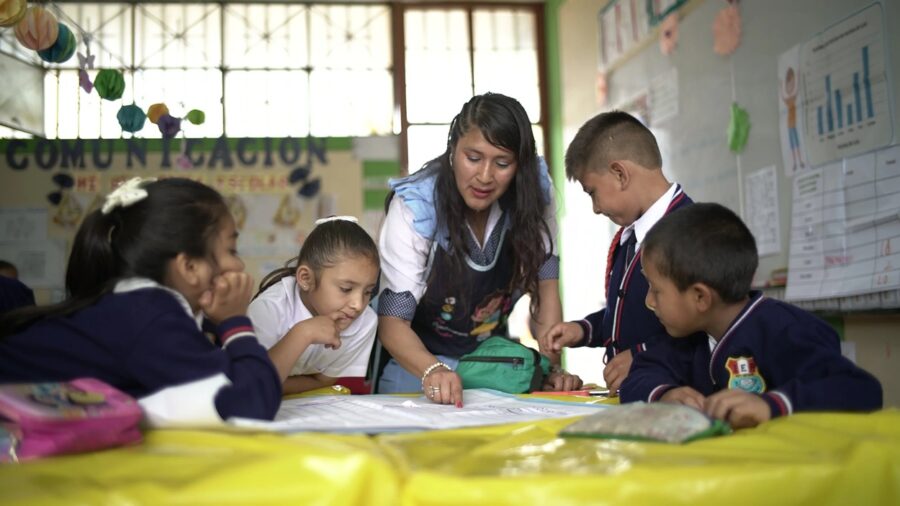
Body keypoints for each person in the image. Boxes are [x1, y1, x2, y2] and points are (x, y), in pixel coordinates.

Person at [0, 177, 311, 424]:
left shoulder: (139, 309)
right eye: (231, 250)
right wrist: (235, 321)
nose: (239, 266)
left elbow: (216, 382)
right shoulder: (150, 316)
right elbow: (250, 403)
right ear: (189, 267)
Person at [377, 92, 580, 405]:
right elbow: (393, 325)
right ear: (453, 149)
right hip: (417, 364)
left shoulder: (534, 196)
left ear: (519, 166)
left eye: (502, 163)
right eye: (473, 158)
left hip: (493, 364)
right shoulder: (416, 207)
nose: (485, 177)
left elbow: (546, 291)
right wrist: (434, 369)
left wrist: (551, 368)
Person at [620, 203, 883, 428]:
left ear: (700, 297)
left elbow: (861, 389)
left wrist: (772, 405)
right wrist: (665, 394)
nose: (649, 302)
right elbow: (639, 376)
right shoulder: (690, 337)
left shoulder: (784, 330)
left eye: (655, 290)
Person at [538, 110, 692, 394]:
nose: (596, 208)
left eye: (592, 192)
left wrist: (641, 354)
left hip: (677, 397)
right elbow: (627, 315)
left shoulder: (691, 233)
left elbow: (704, 331)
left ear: (620, 174)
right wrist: (583, 330)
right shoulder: (629, 238)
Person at [248, 216, 379, 395]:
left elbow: (324, 381)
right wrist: (303, 333)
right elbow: (250, 385)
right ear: (305, 278)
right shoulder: (268, 309)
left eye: (368, 292)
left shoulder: (365, 321)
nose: (358, 304)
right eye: (346, 288)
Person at [781, 67, 805, 171]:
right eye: (788, 84)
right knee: (792, 145)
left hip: (793, 125)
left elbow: (798, 89)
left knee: (797, 144)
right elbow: (782, 97)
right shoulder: (788, 100)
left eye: (792, 83)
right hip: (789, 125)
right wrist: (780, 86)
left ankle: (800, 161)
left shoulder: (793, 98)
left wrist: (799, 77)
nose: (790, 87)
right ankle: (795, 163)